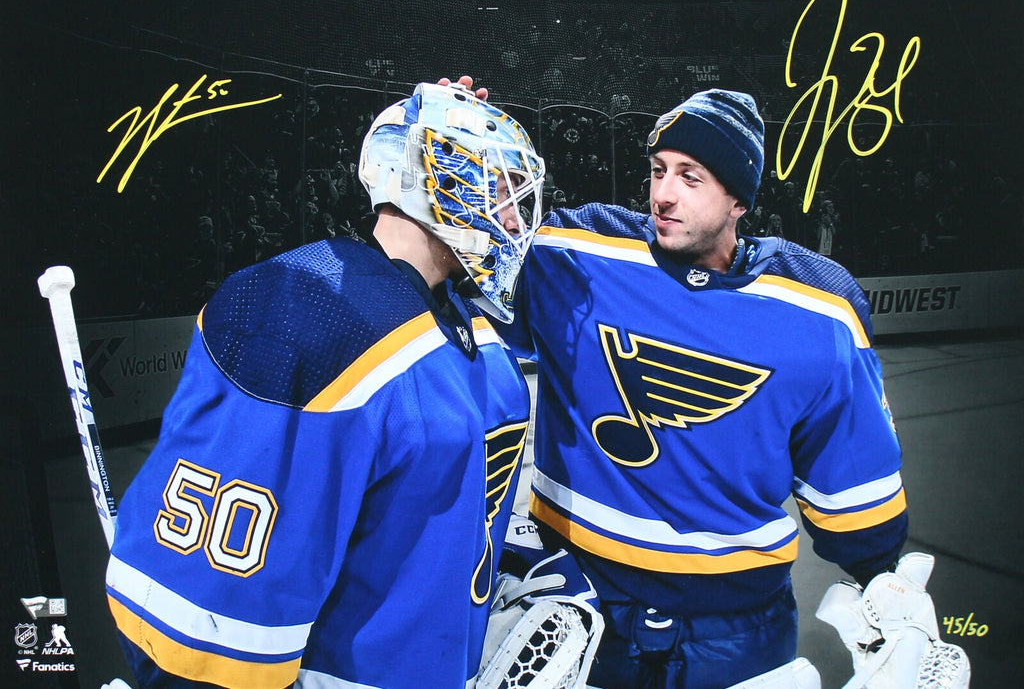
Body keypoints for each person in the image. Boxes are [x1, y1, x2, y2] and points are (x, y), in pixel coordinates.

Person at [104, 81, 547, 689]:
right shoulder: (313, 313)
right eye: (501, 190)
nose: (515, 220)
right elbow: (206, 619)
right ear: (443, 183)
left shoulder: (470, 327)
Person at [501, 89, 910, 688]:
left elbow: (852, 484)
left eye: (690, 177)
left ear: (739, 200)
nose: (663, 194)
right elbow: (466, 267)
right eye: (658, 170)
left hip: (738, 632)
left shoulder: (820, 308)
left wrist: (882, 580)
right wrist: (470, 170)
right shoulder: (575, 252)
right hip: (575, 612)